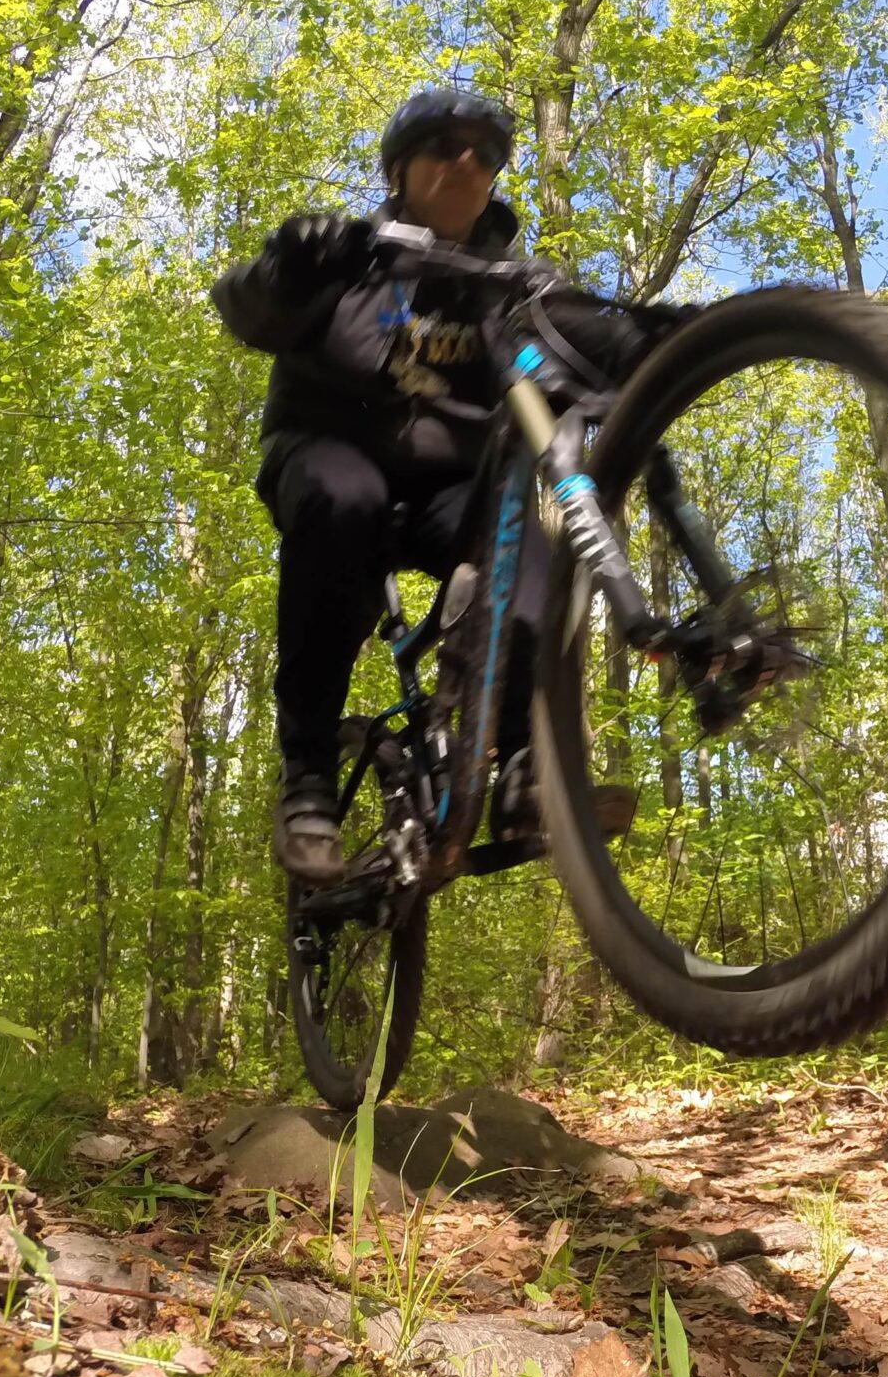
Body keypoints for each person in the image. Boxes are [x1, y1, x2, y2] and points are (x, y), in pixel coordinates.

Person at [213, 87, 641, 884]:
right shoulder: (349, 260)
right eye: (444, 146)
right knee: (347, 501)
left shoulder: (514, 289)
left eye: (485, 152)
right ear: (400, 169)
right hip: (326, 452)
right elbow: (245, 310)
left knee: (537, 567)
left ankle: (520, 771)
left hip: (452, 492)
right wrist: (285, 265)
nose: (466, 162)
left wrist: (693, 333)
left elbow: (607, 342)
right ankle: (307, 775)